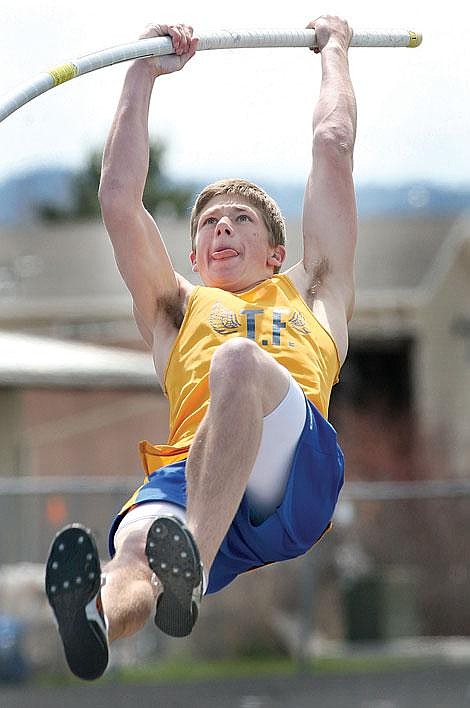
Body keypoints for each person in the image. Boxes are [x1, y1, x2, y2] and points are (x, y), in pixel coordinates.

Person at [45, 16, 357, 681]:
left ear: (277, 254)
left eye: (239, 219)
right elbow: (119, 201)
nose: (221, 228)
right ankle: (99, 621)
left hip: (290, 474)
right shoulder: (177, 309)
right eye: (209, 223)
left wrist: (334, 49)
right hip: (197, 470)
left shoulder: (314, 292)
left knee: (236, 361)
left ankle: (194, 560)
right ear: (192, 255)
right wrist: (140, 71)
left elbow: (333, 145)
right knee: (132, 552)